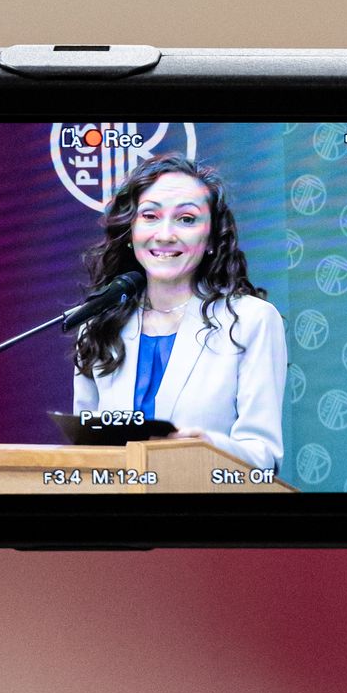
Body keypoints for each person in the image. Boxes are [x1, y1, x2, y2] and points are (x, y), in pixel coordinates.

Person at [71, 155, 285, 474]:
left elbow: (264, 456)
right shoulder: (97, 323)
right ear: (130, 231)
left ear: (211, 238)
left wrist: (209, 448)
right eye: (150, 216)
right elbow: (84, 453)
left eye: (186, 219)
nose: (165, 234)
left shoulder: (251, 320)